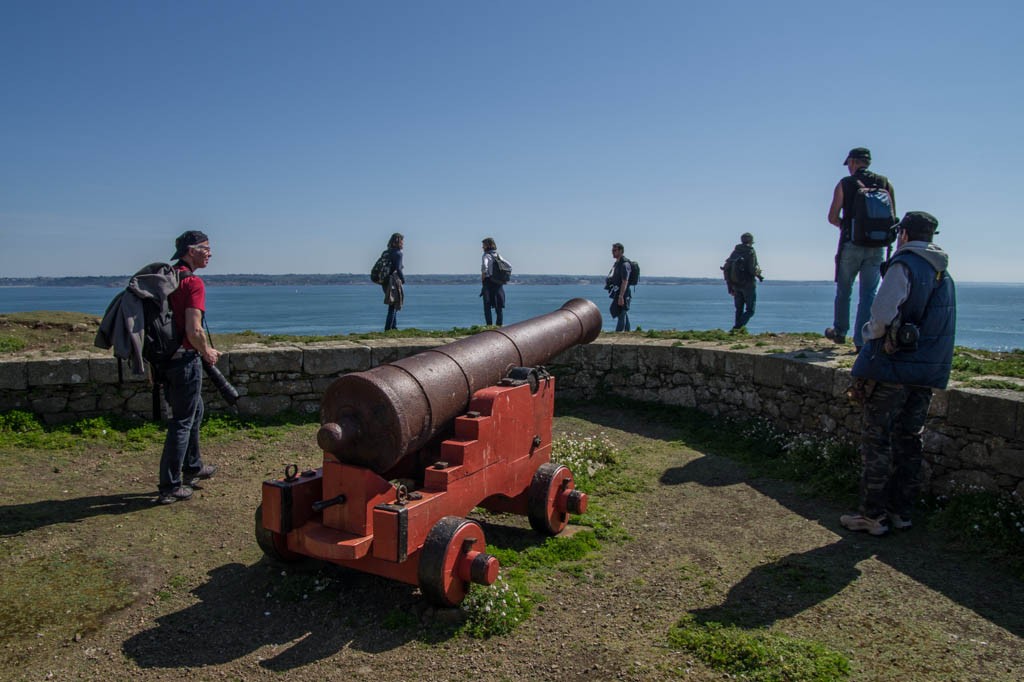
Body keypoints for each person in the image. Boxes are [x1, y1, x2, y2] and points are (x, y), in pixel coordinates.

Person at [840, 212, 955, 536]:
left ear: (902, 234)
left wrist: (867, 333)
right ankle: (901, 512)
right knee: (909, 441)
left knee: (877, 440)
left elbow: (880, 317)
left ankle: (872, 516)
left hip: (892, 371)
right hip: (924, 374)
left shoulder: (904, 264)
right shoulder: (942, 273)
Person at [157, 230, 220, 505]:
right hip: (184, 359)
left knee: (195, 410)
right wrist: (206, 351)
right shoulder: (193, 283)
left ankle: (193, 465)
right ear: (190, 250)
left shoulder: (167, 279)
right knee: (182, 422)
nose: (210, 253)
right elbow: (194, 329)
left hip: (165, 358)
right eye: (205, 248)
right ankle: (170, 485)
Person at [826, 147, 896, 349]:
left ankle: (839, 331)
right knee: (868, 294)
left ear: (853, 162)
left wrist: (845, 226)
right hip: (877, 247)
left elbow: (832, 217)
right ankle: (861, 340)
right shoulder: (885, 183)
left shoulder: (845, 184)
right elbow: (892, 218)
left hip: (851, 244)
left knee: (844, 290)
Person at [724, 232, 764, 331]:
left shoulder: (735, 252)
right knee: (750, 310)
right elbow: (752, 269)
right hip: (748, 284)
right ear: (751, 241)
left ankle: (737, 330)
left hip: (735, 284)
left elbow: (727, 268)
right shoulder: (750, 251)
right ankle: (737, 328)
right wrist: (759, 274)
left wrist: (729, 285)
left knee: (739, 309)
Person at [480, 237, 507, 326]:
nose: (482, 247)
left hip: (488, 281)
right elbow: (509, 266)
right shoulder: (498, 255)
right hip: (498, 282)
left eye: (483, 245)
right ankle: (499, 324)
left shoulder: (486, 255)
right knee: (498, 305)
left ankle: (489, 325)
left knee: (487, 304)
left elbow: (485, 266)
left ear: (487, 245)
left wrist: (483, 276)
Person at [606, 243, 633, 332]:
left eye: (615, 250)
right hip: (619, 292)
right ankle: (627, 332)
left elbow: (625, 281)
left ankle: (618, 334)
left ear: (620, 251)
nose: (612, 252)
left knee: (621, 313)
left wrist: (621, 296)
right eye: (612, 250)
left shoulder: (624, 264)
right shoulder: (618, 263)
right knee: (623, 313)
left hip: (623, 293)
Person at [382, 233, 405, 331]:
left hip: (384, 281)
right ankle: (388, 328)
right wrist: (403, 280)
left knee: (392, 303)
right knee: (393, 305)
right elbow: (398, 269)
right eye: (402, 241)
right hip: (393, 281)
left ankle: (394, 327)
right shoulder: (398, 253)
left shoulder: (386, 252)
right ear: (399, 241)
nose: (403, 243)